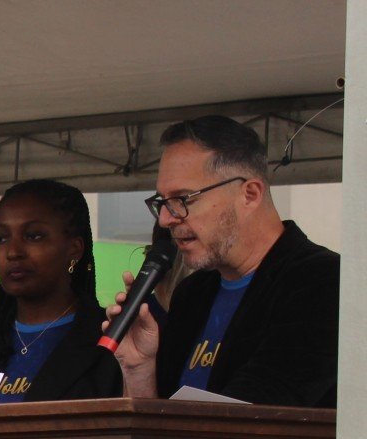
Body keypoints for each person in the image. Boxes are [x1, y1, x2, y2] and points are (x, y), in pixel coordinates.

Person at [106, 116, 340, 407]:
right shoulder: (192, 293)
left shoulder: (322, 281)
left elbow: (264, 413)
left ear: (250, 194)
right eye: (162, 202)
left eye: (183, 199)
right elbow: (158, 435)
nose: (166, 218)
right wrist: (139, 368)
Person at [0, 179, 121, 402]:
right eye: (1, 238)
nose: (13, 252)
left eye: (33, 236)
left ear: (74, 249)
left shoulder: (110, 342)